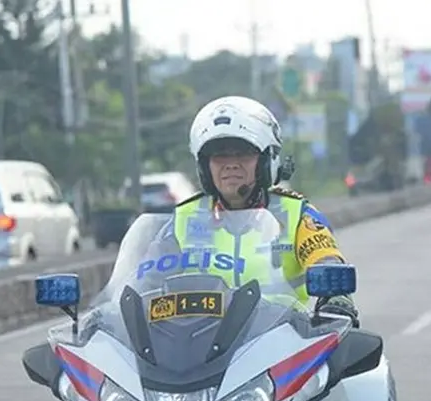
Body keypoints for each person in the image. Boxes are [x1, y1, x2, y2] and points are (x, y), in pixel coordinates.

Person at [132, 96, 360, 325]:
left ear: (266, 161)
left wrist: (337, 298)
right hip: (194, 347)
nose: (231, 164)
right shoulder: (183, 220)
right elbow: (144, 283)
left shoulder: (297, 215)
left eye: (243, 153)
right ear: (204, 166)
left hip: (282, 343)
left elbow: (326, 260)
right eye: (220, 154)